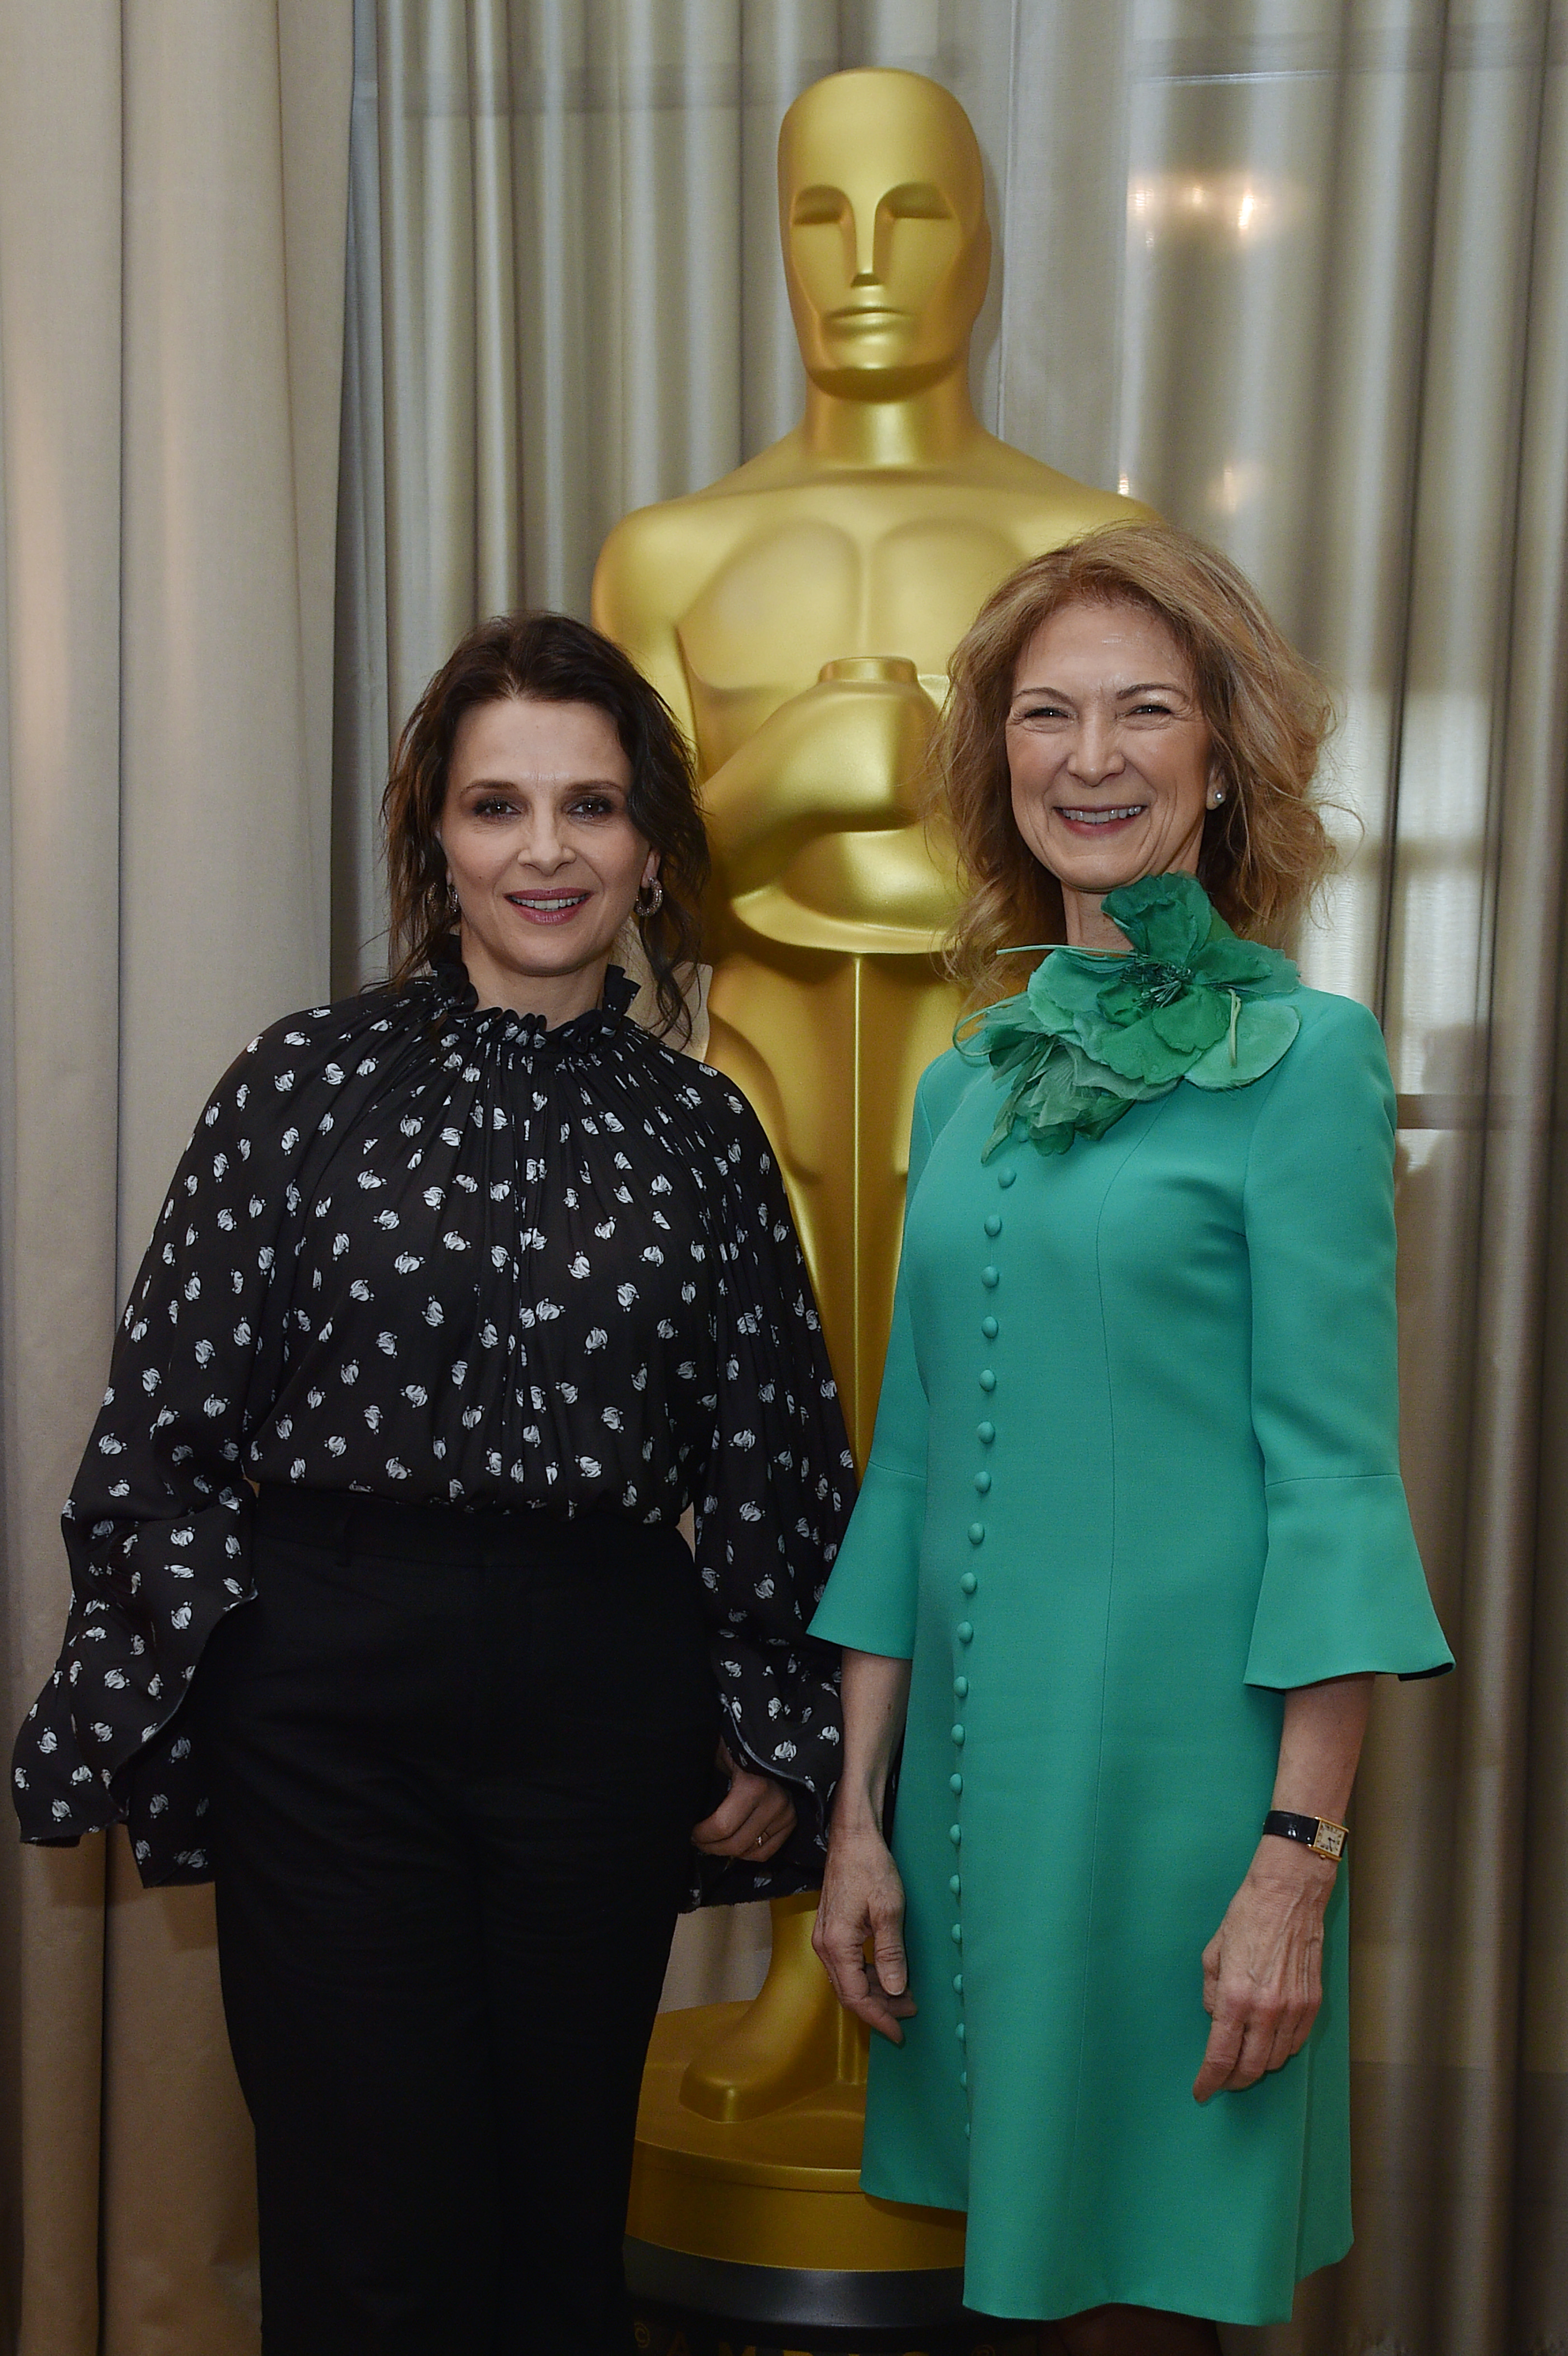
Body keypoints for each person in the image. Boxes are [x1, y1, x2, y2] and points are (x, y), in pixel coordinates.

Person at [12, 612, 854, 2356]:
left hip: (600, 1697)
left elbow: (781, 1446)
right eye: (497, 808)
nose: (545, 851)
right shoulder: (300, 1082)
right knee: (369, 2232)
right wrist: (217, 1671)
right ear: (436, 840)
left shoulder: (705, 1133)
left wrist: (775, 1718)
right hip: (326, 1699)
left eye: (591, 808)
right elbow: (163, 1428)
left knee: (557, 2232)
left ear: (647, 849)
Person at [807, 523, 1453, 2352]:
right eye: (1046, 715)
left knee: (1139, 2309)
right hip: (971, 1812)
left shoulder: (1308, 1055)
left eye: (1143, 710)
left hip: (1192, 1816)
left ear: (1222, 755)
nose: (1091, 756)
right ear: (996, 764)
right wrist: (856, 1821)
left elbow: (1334, 1487)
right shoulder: (968, 1075)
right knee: (1003, 2301)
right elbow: (909, 1469)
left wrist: (1293, 1867)